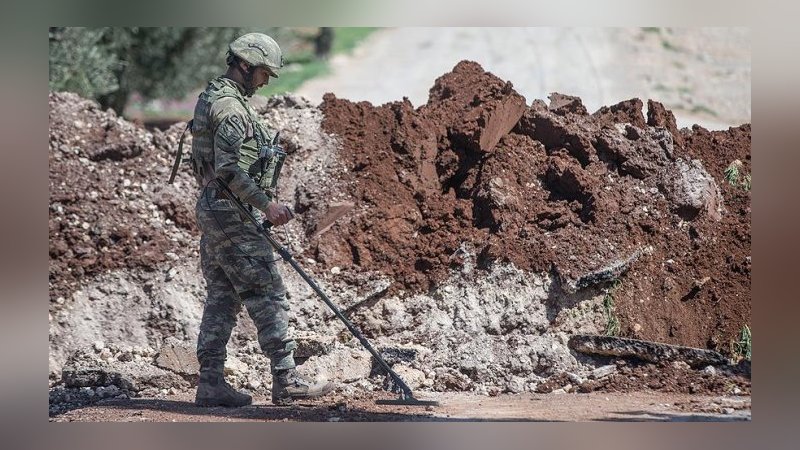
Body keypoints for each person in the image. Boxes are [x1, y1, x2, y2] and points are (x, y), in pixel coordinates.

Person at [187, 32, 334, 407]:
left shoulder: (215, 97)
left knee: (222, 296)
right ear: (245, 65)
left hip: (216, 209)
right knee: (266, 290)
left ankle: (211, 384)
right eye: (264, 73)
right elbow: (229, 169)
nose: (266, 81)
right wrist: (266, 205)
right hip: (231, 210)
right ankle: (286, 379)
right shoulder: (232, 110)